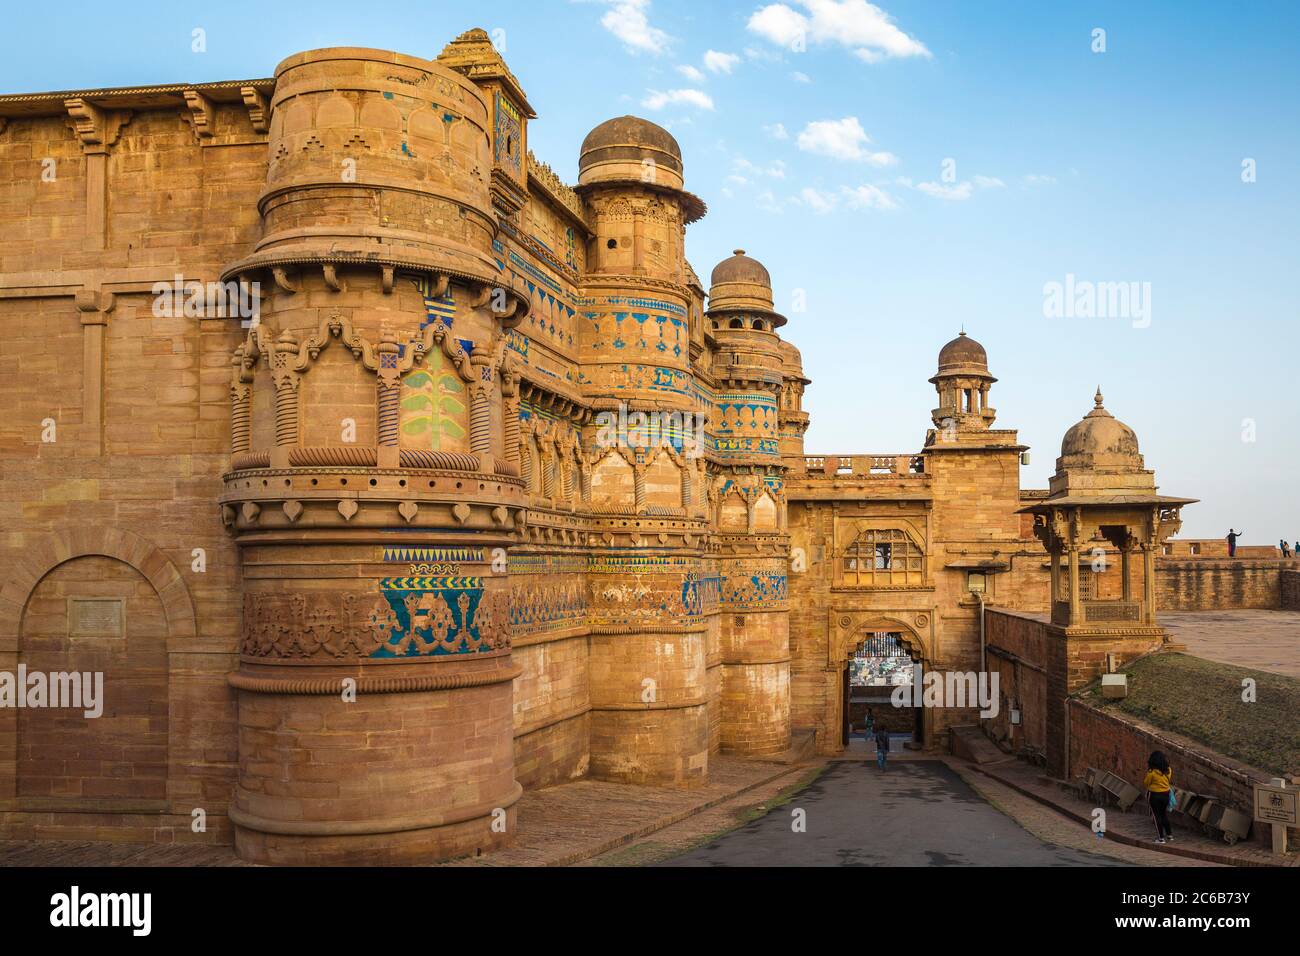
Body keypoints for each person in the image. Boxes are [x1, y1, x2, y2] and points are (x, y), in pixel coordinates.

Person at [1143, 750, 1174, 844]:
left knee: (1156, 816)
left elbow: (1146, 783)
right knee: (1163, 814)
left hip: (1154, 795)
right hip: (1166, 794)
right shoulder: (1168, 770)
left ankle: (1161, 838)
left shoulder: (1151, 772)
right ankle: (1169, 835)